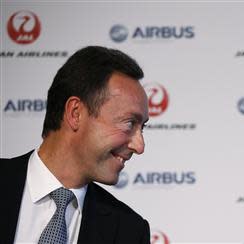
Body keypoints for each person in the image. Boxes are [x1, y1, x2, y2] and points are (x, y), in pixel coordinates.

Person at [0, 46, 150, 244]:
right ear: (75, 113)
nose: (140, 146)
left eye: (143, 128)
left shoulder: (129, 231)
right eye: (129, 123)